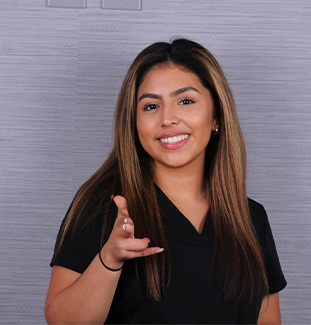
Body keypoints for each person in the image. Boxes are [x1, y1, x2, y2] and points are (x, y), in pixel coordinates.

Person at [44, 38, 287, 324]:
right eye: (150, 106)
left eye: (185, 101)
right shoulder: (102, 207)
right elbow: (60, 320)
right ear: (133, 123)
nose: (168, 119)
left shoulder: (251, 218)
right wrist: (109, 260)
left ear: (216, 117)